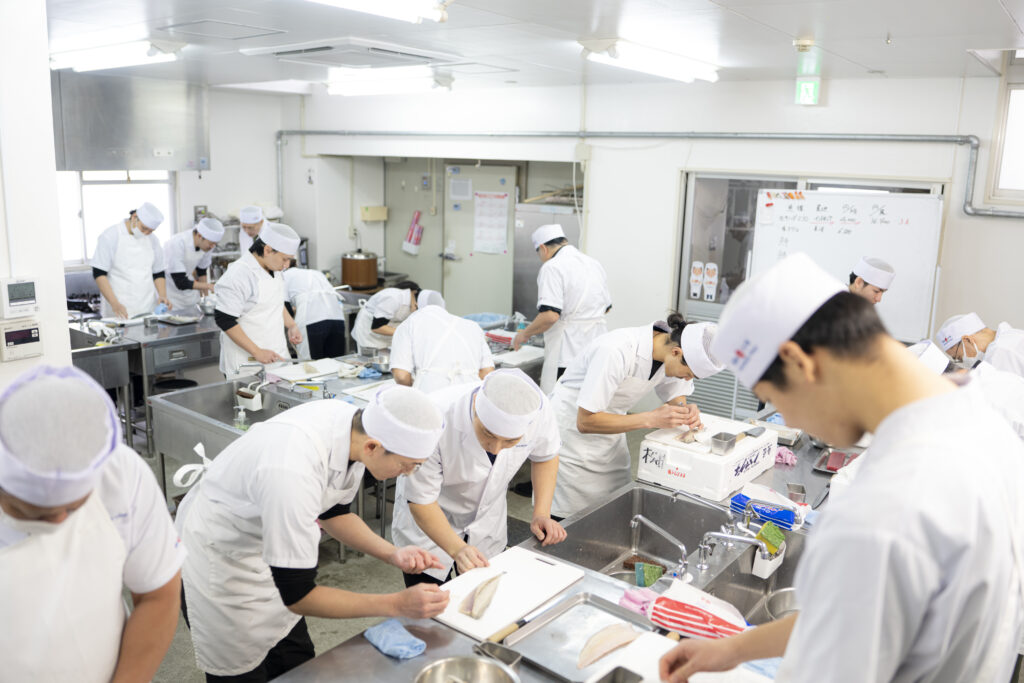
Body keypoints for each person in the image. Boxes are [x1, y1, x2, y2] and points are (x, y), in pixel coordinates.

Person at [660, 252, 1024, 683]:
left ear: (799, 362)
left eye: (778, 398)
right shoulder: (985, 412)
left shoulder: (884, 505)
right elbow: (852, 611)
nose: (789, 420)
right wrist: (734, 649)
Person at [176, 385, 451, 682]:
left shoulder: (353, 429)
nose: (407, 474)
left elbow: (334, 513)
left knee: (298, 664)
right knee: (243, 672)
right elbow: (299, 595)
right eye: (406, 466)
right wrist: (396, 604)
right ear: (373, 447)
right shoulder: (292, 470)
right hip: (223, 559)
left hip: (268, 548)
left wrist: (392, 553)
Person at [0, 365, 184, 682]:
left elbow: (159, 594)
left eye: (73, 507)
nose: (59, 521)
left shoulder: (120, 473)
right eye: (37, 514)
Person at [391, 369, 565, 586]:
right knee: (431, 608)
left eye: (510, 442)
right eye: (488, 434)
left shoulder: (537, 410)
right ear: (475, 406)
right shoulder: (434, 417)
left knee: (484, 602)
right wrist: (458, 549)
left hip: (487, 523)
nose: (496, 448)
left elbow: (545, 456)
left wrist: (541, 512)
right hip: (429, 525)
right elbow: (422, 500)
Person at [549, 315, 724, 519]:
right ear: (676, 352)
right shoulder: (615, 350)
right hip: (572, 434)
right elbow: (585, 421)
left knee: (613, 506)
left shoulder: (667, 352)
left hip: (612, 429)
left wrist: (683, 409)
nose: (686, 379)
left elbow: (676, 393)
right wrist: (650, 419)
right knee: (569, 518)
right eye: (688, 374)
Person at [512, 224, 612, 393]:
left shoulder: (552, 267)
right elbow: (606, 308)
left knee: (561, 404)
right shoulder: (593, 263)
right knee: (587, 400)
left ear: (543, 248)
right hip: (596, 346)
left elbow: (550, 316)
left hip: (567, 352)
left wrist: (524, 334)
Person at [215, 223, 303, 378]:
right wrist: (257, 352)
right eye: (285, 259)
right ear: (267, 249)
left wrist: (291, 325)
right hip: (248, 364)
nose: (286, 265)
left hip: (277, 358)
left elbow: (274, 301)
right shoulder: (240, 274)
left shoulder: (274, 268)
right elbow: (224, 319)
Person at [391, 289, 495, 392]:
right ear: (443, 305)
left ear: (418, 305)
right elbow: (487, 372)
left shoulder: (408, 325)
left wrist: (415, 386)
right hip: (469, 398)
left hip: (430, 398)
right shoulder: (472, 326)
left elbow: (401, 376)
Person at [92, 201, 171, 319]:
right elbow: (99, 273)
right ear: (134, 217)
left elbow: (158, 271)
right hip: (119, 309)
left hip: (147, 308)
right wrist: (114, 304)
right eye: (144, 228)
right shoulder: (111, 235)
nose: (146, 233)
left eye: (150, 231)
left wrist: (163, 296)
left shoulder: (153, 240)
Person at [282, 261, 348, 360]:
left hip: (311, 321)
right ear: (296, 264)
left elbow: (285, 308)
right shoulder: (316, 273)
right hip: (337, 319)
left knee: (311, 365)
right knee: (336, 363)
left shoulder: (284, 275)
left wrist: (291, 327)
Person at [935, 311, 1024, 376]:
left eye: (959, 357)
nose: (962, 363)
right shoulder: (1012, 335)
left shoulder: (999, 353)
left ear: (967, 340)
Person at [165, 217, 225, 311]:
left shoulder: (207, 246)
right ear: (200, 236)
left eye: (215, 244)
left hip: (189, 293)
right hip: (171, 292)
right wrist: (209, 286)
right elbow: (181, 282)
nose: (212, 247)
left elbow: (202, 271)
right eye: (211, 243)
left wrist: (207, 298)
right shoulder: (177, 243)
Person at [351, 281, 421, 355]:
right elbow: (377, 327)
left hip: (388, 333)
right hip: (369, 335)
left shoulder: (410, 301)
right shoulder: (393, 297)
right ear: (413, 292)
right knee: (369, 361)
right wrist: (406, 333)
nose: (417, 306)